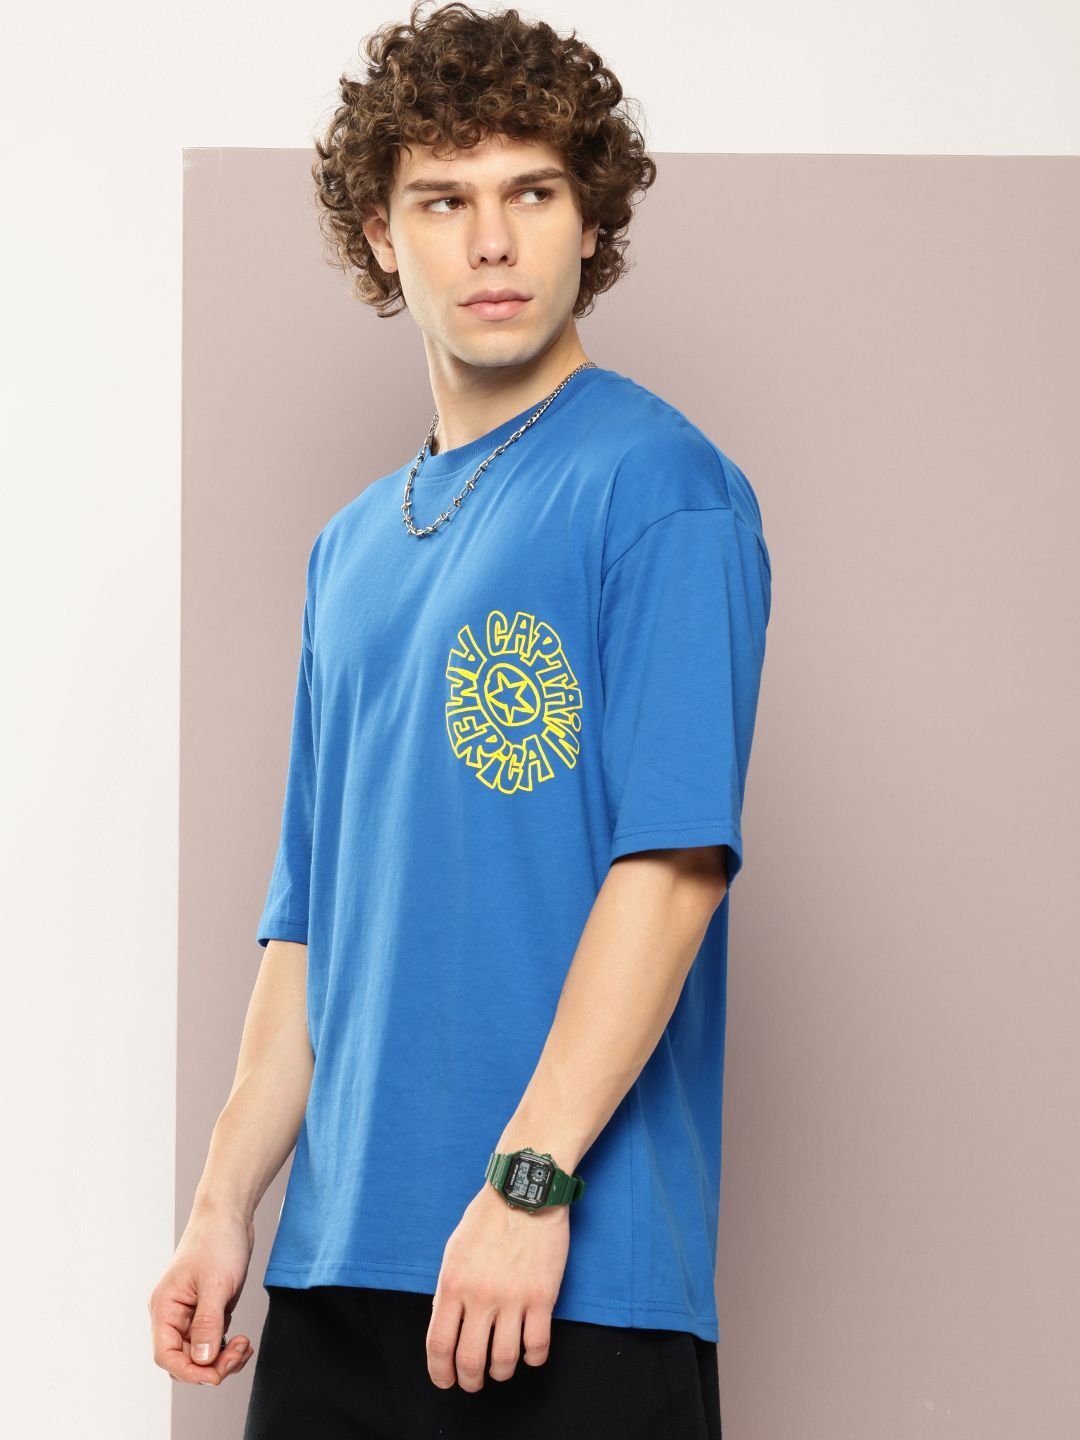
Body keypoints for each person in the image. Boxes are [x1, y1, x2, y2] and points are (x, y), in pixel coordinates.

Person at [148, 3, 771, 1436]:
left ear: (588, 221)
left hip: (566, 1270)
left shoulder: (662, 489)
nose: (492, 242)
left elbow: (674, 868)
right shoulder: (349, 550)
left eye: (530, 194)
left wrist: (528, 1185)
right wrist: (224, 1206)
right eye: (444, 200)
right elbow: (307, 928)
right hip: (335, 1275)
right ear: (382, 235)